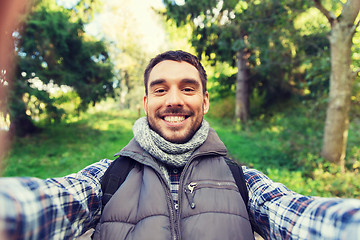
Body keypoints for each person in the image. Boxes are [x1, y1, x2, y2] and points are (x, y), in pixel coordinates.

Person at [0, 50, 360, 240]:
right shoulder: (107, 176)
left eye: (187, 88)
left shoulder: (242, 180)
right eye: (160, 89)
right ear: (146, 103)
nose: (174, 100)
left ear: (204, 102)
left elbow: (300, 215)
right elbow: (45, 203)